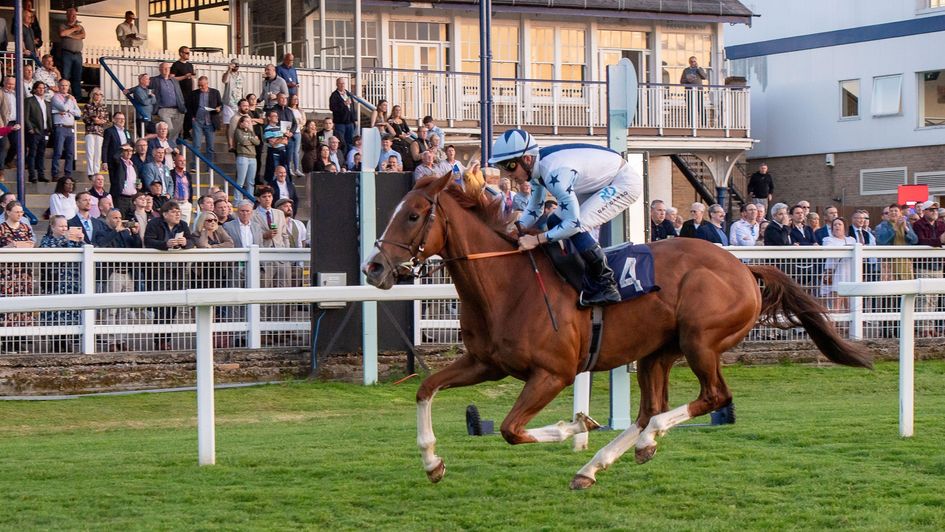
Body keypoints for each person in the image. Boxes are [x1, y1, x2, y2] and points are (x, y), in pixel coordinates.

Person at [490, 129, 642, 306]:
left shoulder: (555, 173)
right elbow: (535, 209)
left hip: (623, 182)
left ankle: (607, 286)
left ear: (527, 159)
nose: (507, 174)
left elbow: (573, 224)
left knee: (578, 226)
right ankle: (576, 270)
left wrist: (537, 240)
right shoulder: (536, 170)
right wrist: (509, 230)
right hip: (600, 181)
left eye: (509, 166)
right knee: (554, 220)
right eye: (502, 167)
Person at [0, 201, 35, 353]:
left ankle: (19, 340)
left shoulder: (25, 227)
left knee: (22, 306)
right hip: (7, 273)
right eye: (17, 212)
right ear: (8, 212)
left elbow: (32, 243)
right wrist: (9, 247)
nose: (20, 215)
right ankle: (7, 342)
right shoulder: (1, 228)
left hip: (23, 273)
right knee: (7, 306)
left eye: (21, 212)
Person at [819, 217, 856, 312]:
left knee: (850, 303)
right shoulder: (828, 239)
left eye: (839, 224)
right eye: (835, 225)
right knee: (836, 302)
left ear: (844, 227)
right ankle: (834, 326)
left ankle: (849, 326)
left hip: (849, 272)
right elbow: (828, 250)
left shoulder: (851, 240)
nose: (837, 226)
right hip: (835, 273)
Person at [186, 76, 222, 162]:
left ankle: (209, 166)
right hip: (198, 121)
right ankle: (194, 165)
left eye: (202, 85)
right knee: (196, 145)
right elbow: (188, 106)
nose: (201, 87)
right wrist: (192, 117)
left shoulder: (215, 92)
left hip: (210, 121)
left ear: (207, 84)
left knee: (210, 146)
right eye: (199, 85)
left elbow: (220, 104)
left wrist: (218, 108)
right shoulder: (194, 93)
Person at [50, 79, 81, 180]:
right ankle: (55, 173)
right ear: (58, 86)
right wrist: (68, 100)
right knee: (58, 151)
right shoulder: (55, 97)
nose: (64, 87)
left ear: (69, 87)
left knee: (70, 153)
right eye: (62, 85)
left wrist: (69, 110)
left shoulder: (72, 98)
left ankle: (68, 174)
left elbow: (78, 113)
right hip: (60, 127)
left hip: (70, 128)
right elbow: (63, 108)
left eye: (66, 85)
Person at [149, 62, 187, 143]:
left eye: (168, 68)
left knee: (176, 132)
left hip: (177, 109)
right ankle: (167, 146)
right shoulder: (154, 80)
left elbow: (179, 93)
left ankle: (170, 148)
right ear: (160, 69)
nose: (166, 70)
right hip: (163, 109)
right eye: (164, 68)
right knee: (169, 129)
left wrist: (182, 105)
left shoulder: (174, 80)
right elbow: (143, 86)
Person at [25, 82, 53, 183]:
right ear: (35, 89)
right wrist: (30, 128)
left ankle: (41, 175)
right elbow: (26, 116)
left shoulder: (47, 103)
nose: (41, 90)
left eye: (43, 88)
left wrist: (50, 129)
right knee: (32, 153)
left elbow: (49, 117)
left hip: (45, 131)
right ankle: (32, 175)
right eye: (39, 88)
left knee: (41, 154)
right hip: (34, 131)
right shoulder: (29, 101)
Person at [58, 7, 86, 99]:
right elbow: (62, 34)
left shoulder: (80, 27)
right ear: (67, 15)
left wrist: (69, 35)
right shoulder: (63, 25)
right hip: (67, 54)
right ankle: (64, 95)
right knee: (66, 75)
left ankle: (77, 97)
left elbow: (83, 35)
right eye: (70, 15)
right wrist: (74, 29)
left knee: (77, 76)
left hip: (78, 54)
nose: (73, 17)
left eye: (74, 15)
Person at [82, 88, 109, 179]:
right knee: (90, 152)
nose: (98, 96)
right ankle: (90, 172)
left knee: (98, 152)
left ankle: (96, 171)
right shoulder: (88, 106)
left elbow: (106, 120)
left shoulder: (103, 107)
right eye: (96, 94)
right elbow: (85, 118)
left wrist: (100, 121)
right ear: (92, 95)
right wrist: (94, 120)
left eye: (100, 94)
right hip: (90, 131)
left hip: (99, 132)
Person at [233, 115, 260, 202]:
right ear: (241, 123)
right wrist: (252, 139)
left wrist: (251, 139)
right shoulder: (238, 131)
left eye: (249, 122)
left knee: (251, 181)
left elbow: (258, 142)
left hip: (252, 157)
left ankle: (250, 199)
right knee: (240, 180)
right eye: (246, 122)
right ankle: (237, 200)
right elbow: (243, 141)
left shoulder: (251, 132)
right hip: (243, 156)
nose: (248, 123)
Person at [329, 76, 357, 146]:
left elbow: (352, 108)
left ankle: (349, 156)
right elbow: (333, 108)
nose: (342, 85)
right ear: (337, 84)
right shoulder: (334, 95)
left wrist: (354, 119)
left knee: (350, 142)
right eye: (340, 83)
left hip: (350, 122)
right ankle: (342, 156)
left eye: (343, 83)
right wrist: (344, 104)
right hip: (340, 123)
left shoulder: (348, 94)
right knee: (341, 142)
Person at [263, 110, 289, 182]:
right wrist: (281, 139)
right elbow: (273, 144)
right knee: (275, 174)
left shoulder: (280, 128)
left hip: (283, 153)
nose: (277, 117)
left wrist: (279, 139)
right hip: (275, 154)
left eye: (277, 116)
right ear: (269, 118)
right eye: (274, 116)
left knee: (284, 174)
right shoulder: (267, 129)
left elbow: (286, 142)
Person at [221, 60, 244, 131]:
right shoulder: (227, 74)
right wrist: (229, 69)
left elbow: (243, 88)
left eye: (237, 64)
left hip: (238, 103)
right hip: (228, 103)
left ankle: (236, 141)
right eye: (234, 64)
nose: (236, 66)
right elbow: (224, 80)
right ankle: (230, 142)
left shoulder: (241, 75)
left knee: (239, 123)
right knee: (229, 125)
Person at [287, 94, 305, 177]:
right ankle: (289, 168)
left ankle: (296, 169)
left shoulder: (300, 110)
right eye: (294, 99)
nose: (295, 101)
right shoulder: (288, 109)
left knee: (296, 152)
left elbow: (303, 121)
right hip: (290, 131)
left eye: (297, 99)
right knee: (290, 151)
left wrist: (300, 124)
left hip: (298, 131)